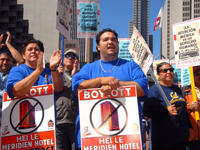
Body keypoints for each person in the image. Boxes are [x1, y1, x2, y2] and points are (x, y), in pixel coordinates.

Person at [72, 28, 148, 149]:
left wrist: (115, 84)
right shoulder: (88, 68)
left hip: (127, 138)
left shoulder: (131, 66)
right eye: (105, 39)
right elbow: (76, 88)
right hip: (93, 139)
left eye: (113, 39)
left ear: (118, 44)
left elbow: (142, 88)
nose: (110, 42)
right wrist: (101, 81)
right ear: (97, 46)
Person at [143, 62, 193, 150]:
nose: (169, 72)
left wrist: (190, 127)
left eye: (171, 70)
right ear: (158, 74)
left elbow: (183, 111)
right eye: (164, 70)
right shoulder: (154, 91)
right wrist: (166, 111)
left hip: (181, 137)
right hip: (164, 140)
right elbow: (147, 111)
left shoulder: (177, 89)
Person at [0, 32, 24, 134]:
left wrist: (8, 44)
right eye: (2, 60)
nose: (5, 62)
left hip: (11, 116)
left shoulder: (15, 73)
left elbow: (21, 61)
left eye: (8, 60)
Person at [56, 49, 79, 150]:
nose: (70, 57)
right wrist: (56, 74)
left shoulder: (80, 75)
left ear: (76, 61)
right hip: (58, 122)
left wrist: (75, 76)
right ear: (62, 59)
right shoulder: (55, 74)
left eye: (73, 56)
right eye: (67, 56)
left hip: (74, 122)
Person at [182, 66, 200, 150]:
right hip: (193, 134)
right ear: (192, 75)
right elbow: (179, 108)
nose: (199, 76)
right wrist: (189, 106)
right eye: (197, 74)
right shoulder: (185, 90)